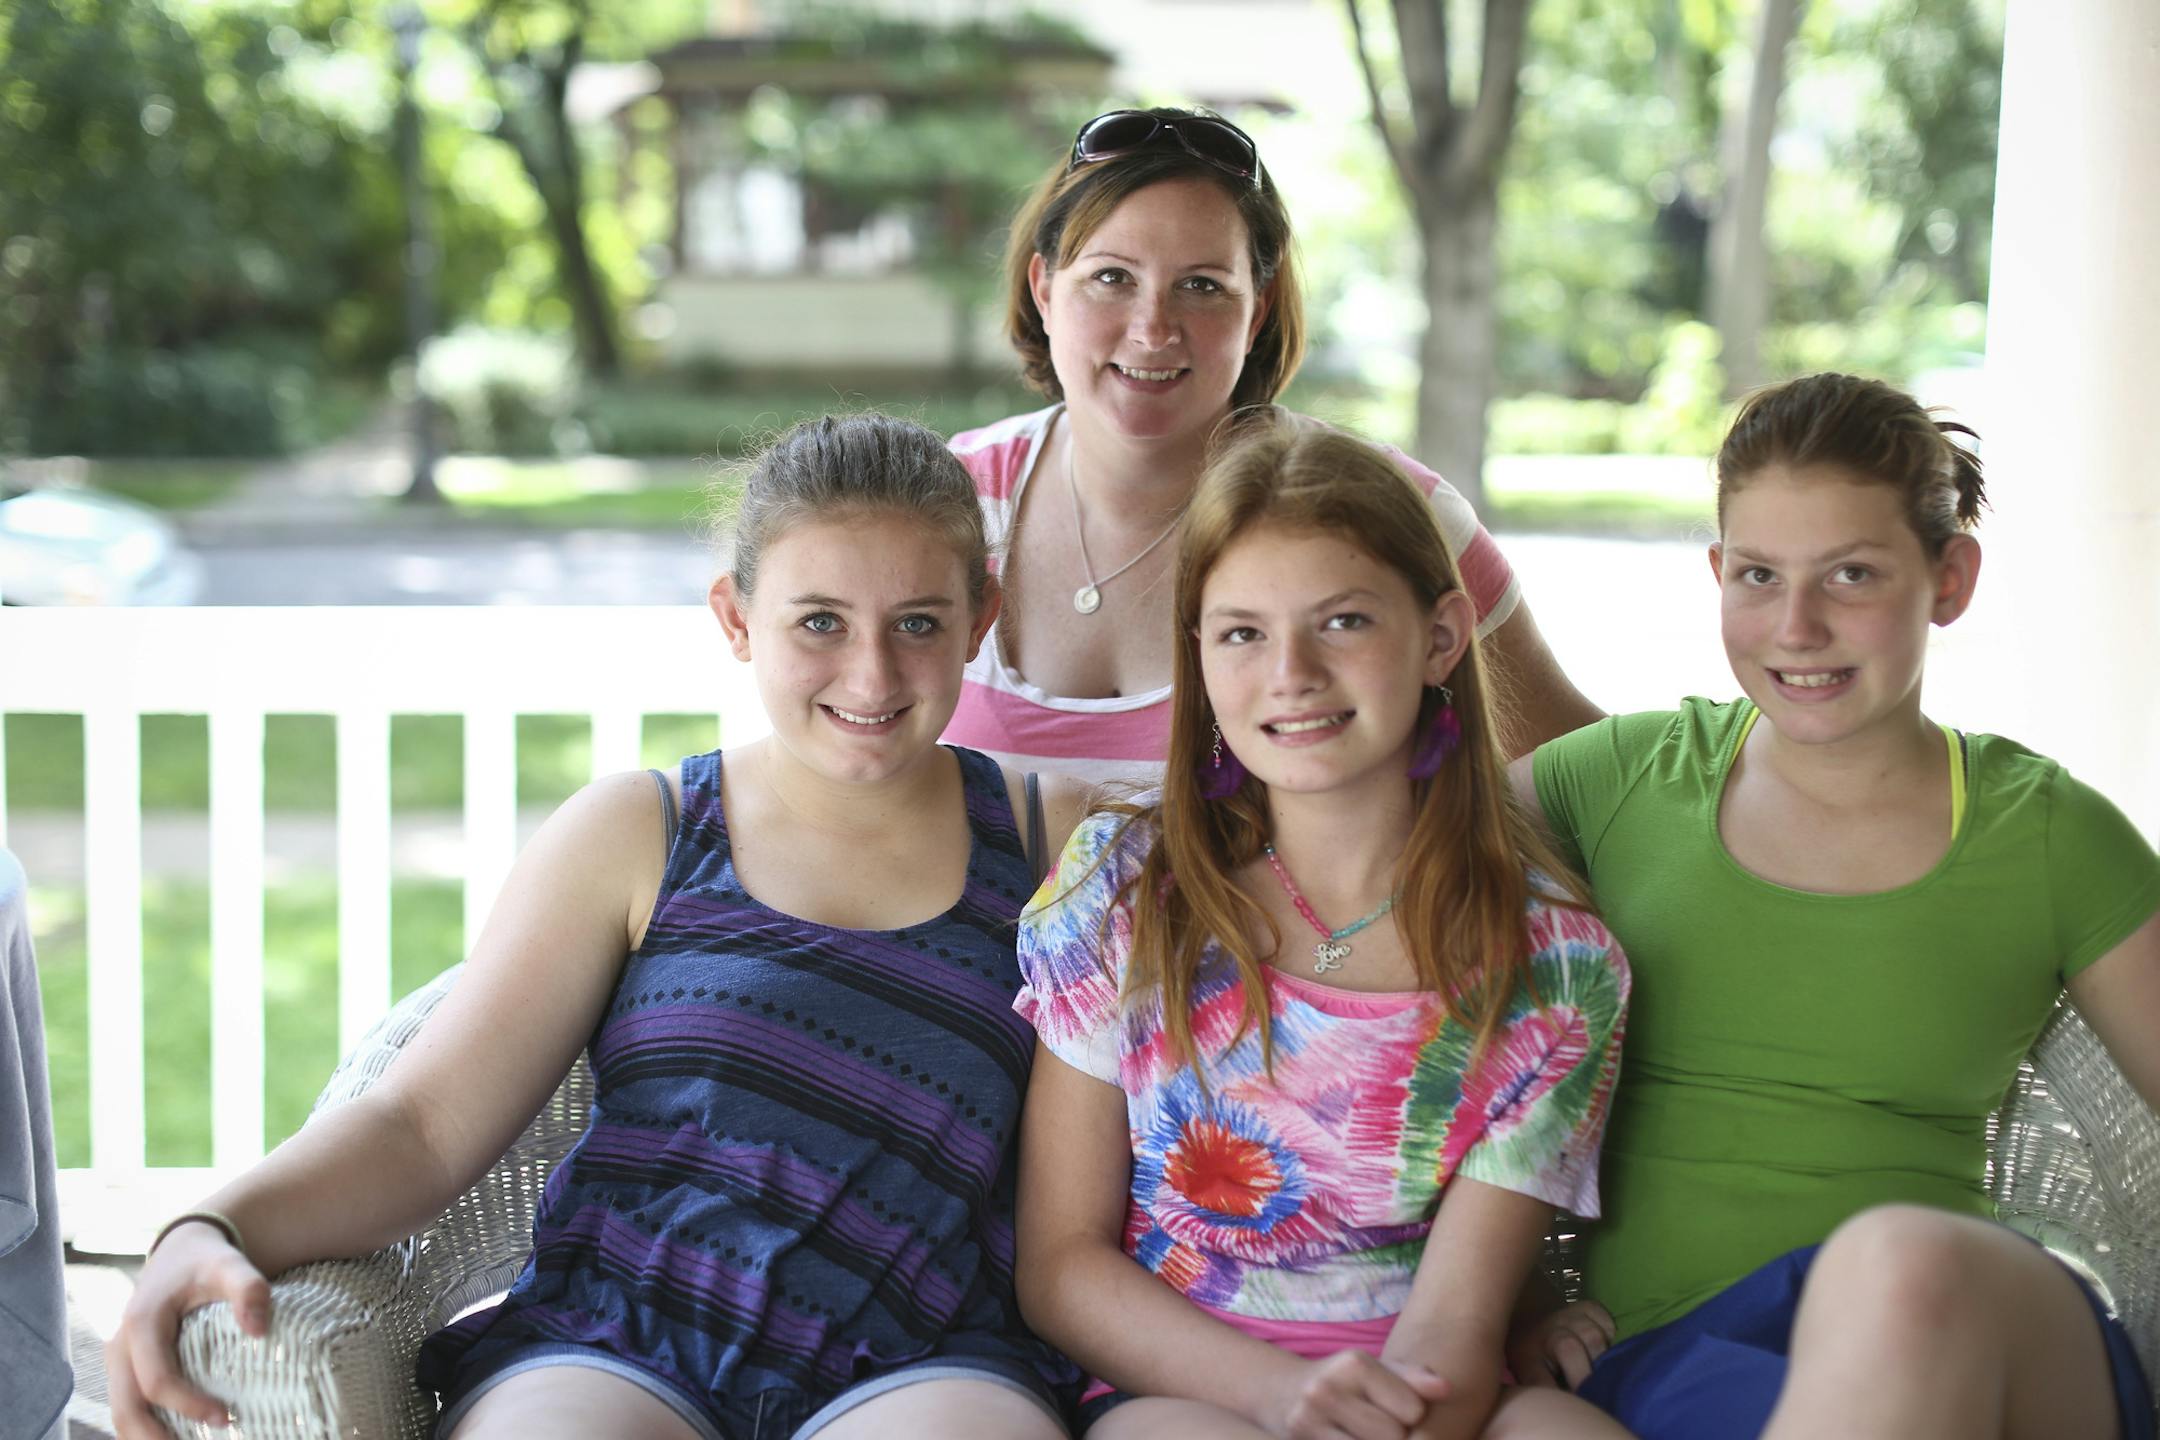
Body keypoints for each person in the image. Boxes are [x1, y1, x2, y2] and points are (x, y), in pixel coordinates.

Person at [105, 415, 1098, 1440]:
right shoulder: (643, 830)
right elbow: (422, 1127)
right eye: (820, 622)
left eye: (919, 624)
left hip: (926, 1357)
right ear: (736, 617)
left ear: (982, 614)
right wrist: (213, 1222)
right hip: (617, 1341)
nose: (873, 675)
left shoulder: (1054, 840)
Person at [1515, 372, 2160, 1440]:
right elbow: (1383, 871)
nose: (1797, 626)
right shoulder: (1622, 777)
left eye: (1851, 575)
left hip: (1963, 1345)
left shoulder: (2044, 832)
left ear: (1949, 578)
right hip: (1661, 1367)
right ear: (1717, 573)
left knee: (1892, 1263)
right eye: (1759, 576)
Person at [1012, 417, 1634, 1439]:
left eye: (1342, 622)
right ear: (1200, 656)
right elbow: (1061, 1267)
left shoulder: (1555, 966)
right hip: (1179, 1386)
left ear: (1440, 636)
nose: (1289, 672)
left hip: (1418, 1388)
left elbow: (1455, 1331)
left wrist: (1381, 1412)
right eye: (1243, 632)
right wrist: (1282, 1398)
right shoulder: (1124, 894)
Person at [944, 106, 1599, 782]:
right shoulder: (941, 501)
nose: (1152, 329)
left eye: (1201, 286)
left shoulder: (1389, 508)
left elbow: (1579, 780)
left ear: (1256, 312)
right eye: (1112, 277)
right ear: (1045, 289)